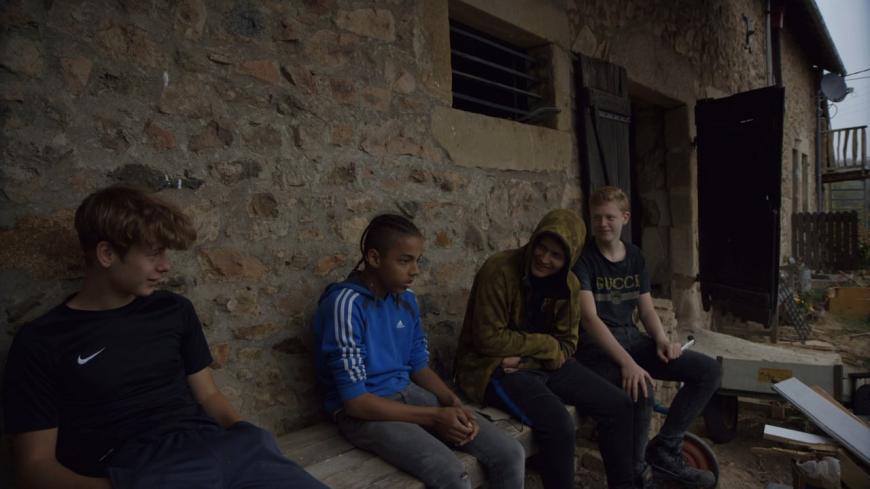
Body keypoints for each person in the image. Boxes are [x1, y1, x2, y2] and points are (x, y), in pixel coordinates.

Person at [2, 185, 326, 489]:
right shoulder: (43, 341)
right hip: (142, 470)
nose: (166, 266)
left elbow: (208, 396)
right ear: (106, 253)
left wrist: (247, 434)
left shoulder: (174, 310)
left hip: (225, 448)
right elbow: (34, 465)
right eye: (153, 253)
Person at [311, 214, 525, 489]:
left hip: (408, 393)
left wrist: (452, 402)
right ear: (374, 258)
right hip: (366, 411)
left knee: (510, 453)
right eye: (404, 261)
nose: (414, 271)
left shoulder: (406, 299)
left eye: (417, 260)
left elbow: (418, 366)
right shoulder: (345, 304)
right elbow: (356, 402)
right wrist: (435, 417)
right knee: (452, 473)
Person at [454, 209, 639, 489]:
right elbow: (488, 340)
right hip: (489, 367)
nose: (544, 258)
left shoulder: (569, 285)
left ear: (569, 258)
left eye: (556, 255)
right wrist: (546, 344)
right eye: (541, 247)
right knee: (559, 425)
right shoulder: (499, 270)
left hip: (530, 364)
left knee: (619, 405)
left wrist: (530, 357)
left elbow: (567, 344)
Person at [573, 186, 721, 488]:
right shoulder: (584, 260)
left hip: (632, 339)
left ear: (625, 218)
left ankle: (665, 449)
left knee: (708, 371)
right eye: (597, 217)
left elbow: (647, 309)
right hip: (596, 349)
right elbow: (589, 319)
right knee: (641, 389)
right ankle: (638, 474)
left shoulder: (635, 257)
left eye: (610, 217)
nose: (602, 223)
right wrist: (628, 364)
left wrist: (662, 340)